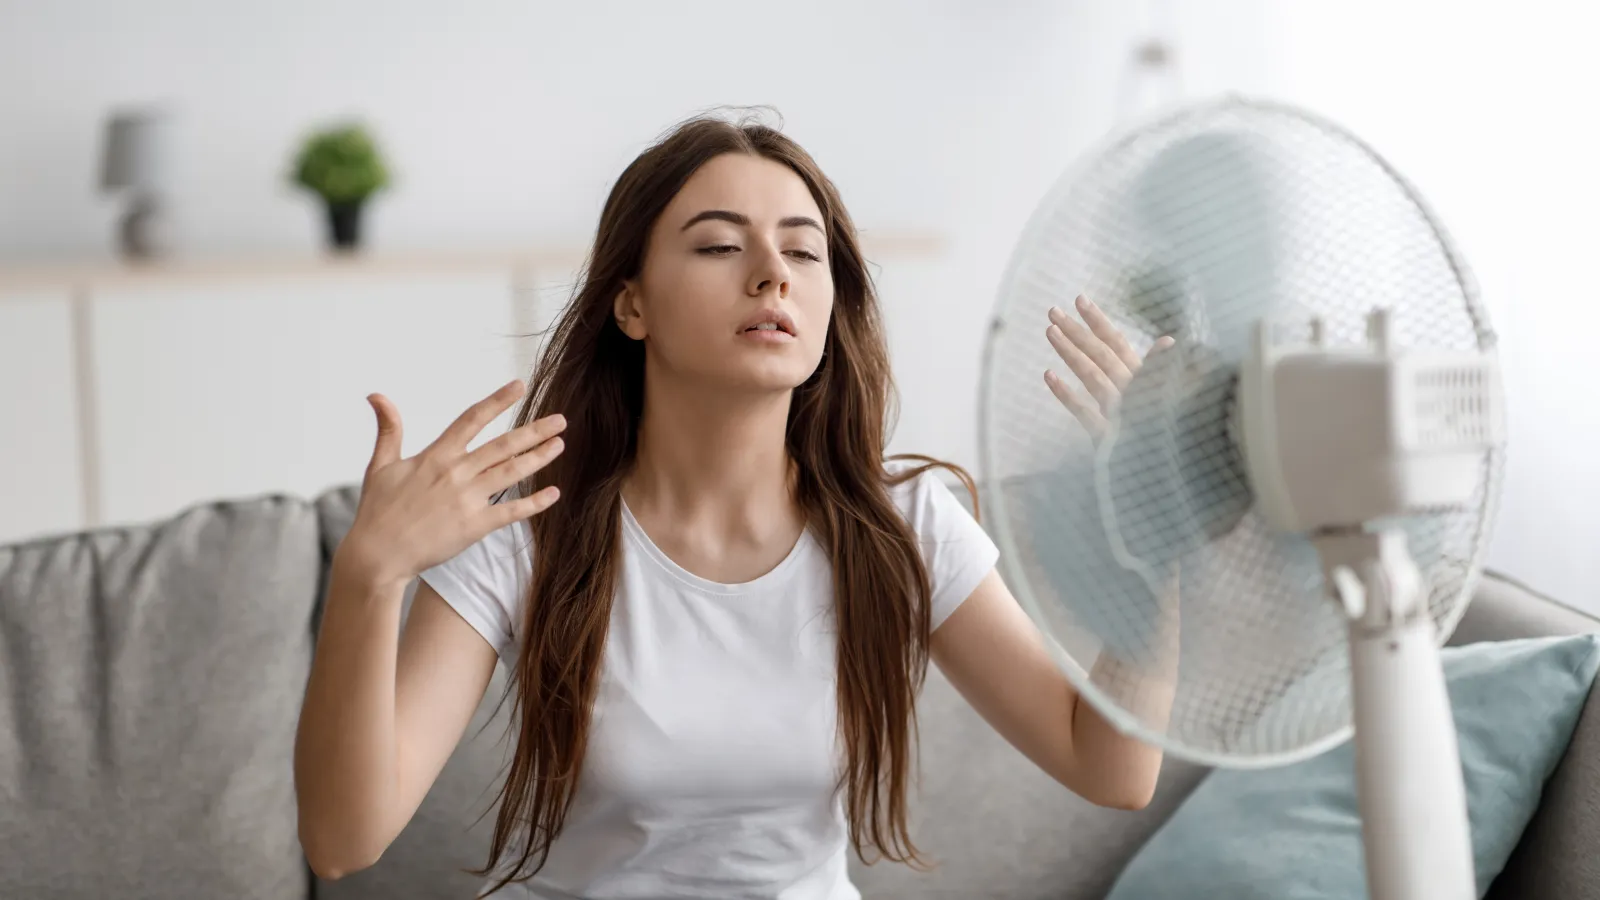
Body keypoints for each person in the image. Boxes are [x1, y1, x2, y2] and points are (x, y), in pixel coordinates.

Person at [293, 112, 1173, 900]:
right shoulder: (527, 535)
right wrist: (370, 578)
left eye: (802, 250)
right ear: (630, 305)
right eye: (719, 246)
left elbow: (1111, 766)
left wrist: (1159, 536)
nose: (771, 276)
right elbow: (342, 839)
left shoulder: (904, 526)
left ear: (832, 302)